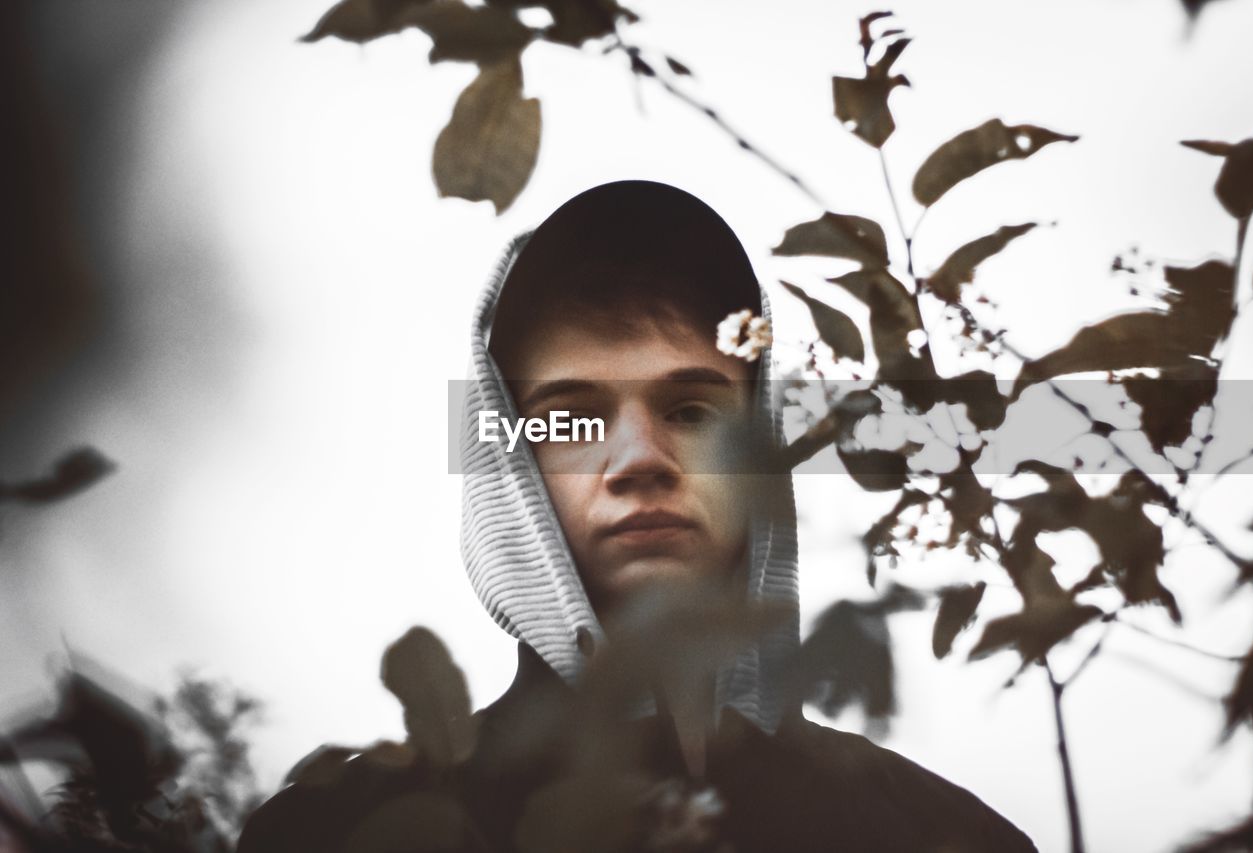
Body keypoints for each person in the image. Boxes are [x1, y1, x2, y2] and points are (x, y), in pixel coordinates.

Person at [237, 180, 1037, 853]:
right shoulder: (334, 831)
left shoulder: (942, 836)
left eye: (691, 409)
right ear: (507, 468)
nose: (639, 458)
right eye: (571, 418)